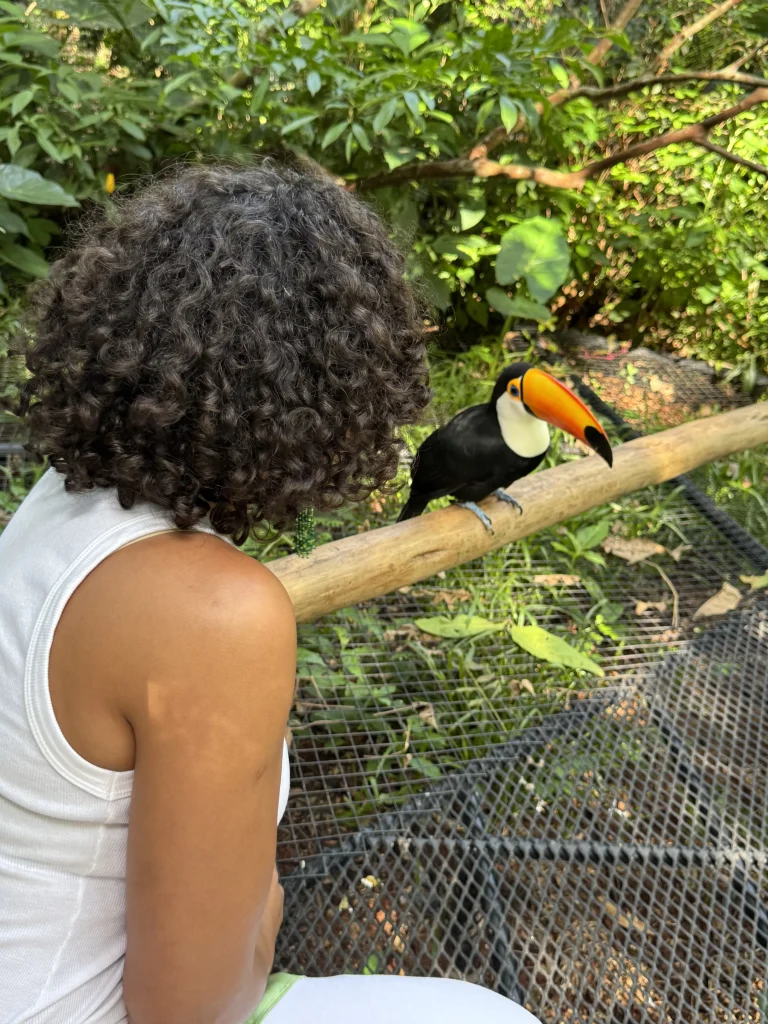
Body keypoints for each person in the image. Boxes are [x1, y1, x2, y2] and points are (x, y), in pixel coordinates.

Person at [0, 162, 541, 1024]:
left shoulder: (56, 499)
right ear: (332, 395)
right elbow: (193, 1009)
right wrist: (262, 892)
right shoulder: (215, 612)